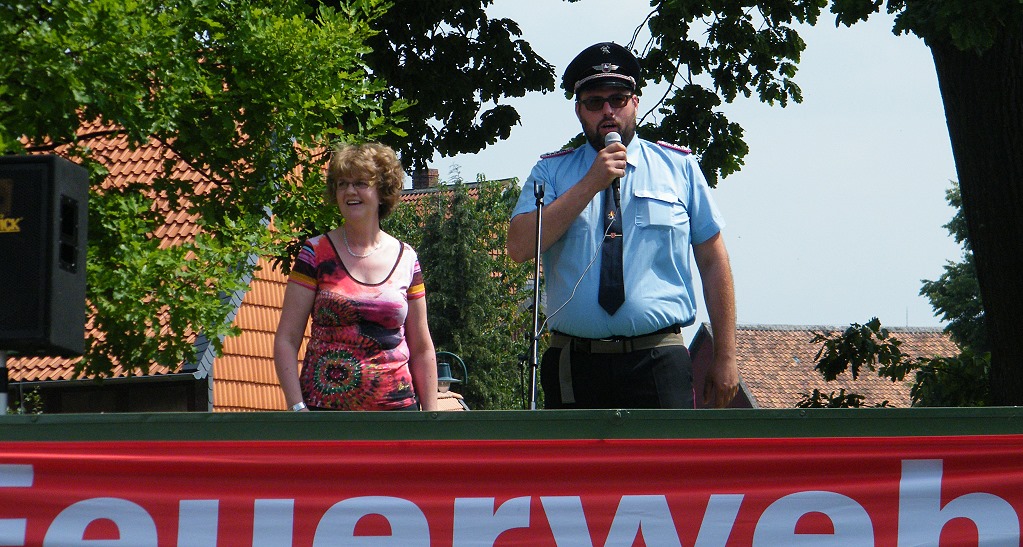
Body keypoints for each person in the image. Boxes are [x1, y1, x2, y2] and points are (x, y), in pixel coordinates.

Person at [507, 42, 738, 409]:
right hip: (574, 362)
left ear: (636, 102)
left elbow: (713, 261)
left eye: (618, 98)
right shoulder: (551, 172)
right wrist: (589, 184)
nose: (608, 111)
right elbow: (519, 247)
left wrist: (725, 355)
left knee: (664, 468)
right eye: (595, 102)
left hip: (658, 357)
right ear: (579, 110)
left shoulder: (678, 167)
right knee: (575, 469)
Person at [274, 143, 438, 411]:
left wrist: (431, 419)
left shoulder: (406, 258)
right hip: (325, 417)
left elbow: (422, 347)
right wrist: (297, 408)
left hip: (397, 417)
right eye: (342, 184)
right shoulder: (314, 253)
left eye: (360, 183)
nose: (350, 191)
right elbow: (286, 339)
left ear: (382, 191)